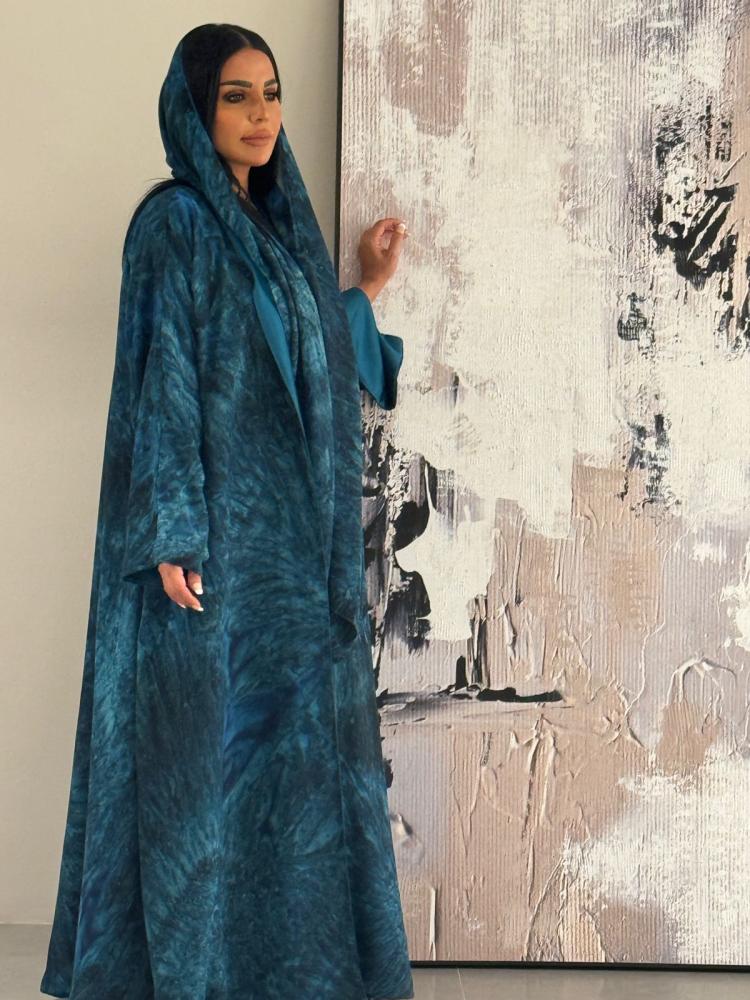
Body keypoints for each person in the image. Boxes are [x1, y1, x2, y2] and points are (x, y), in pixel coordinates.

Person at [39, 22, 414, 1000]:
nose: (260, 115)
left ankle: (277, 970)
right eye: (236, 96)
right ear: (195, 109)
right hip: (211, 552)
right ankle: (192, 971)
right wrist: (172, 526)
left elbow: (300, 352)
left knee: (281, 771)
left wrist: (364, 290)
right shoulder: (174, 224)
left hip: (288, 563)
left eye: (271, 93)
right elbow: (164, 372)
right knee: (202, 762)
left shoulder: (279, 231)